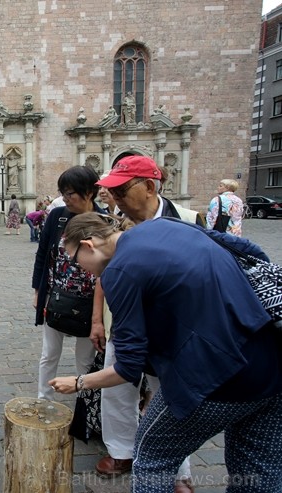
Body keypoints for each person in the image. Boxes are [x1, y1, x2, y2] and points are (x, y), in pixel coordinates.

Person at [50, 212, 282, 493]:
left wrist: (78, 383)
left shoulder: (118, 272)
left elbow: (128, 367)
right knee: (257, 467)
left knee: (152, 459)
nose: (82, 270)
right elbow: (249, 250)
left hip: (215, 375)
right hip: (270, 357)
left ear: (89, 245)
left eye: (75, 260)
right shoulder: (162, 224)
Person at [87, 155, 203, 487]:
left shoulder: (189, 220)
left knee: (171, 399)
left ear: (149, 187)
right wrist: (97, 319)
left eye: (121, 191)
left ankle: (180, 473)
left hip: (171, 331)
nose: (116, 199)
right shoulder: (116, 222)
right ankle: (121, 450)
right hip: (122, 322)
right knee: (116, 389)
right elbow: (103, 272)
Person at [32, 166, 103, 402]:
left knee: (85, 359)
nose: (65, 198)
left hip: (89, 303)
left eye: (70, 193)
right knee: (49, 354)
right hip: (56, 297)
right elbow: (43, 255)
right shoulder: (57, 216)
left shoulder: (104, 221)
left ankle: (84, 407)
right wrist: (37, 292)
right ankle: (44, 399)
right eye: (63, 192)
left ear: (89, 193)